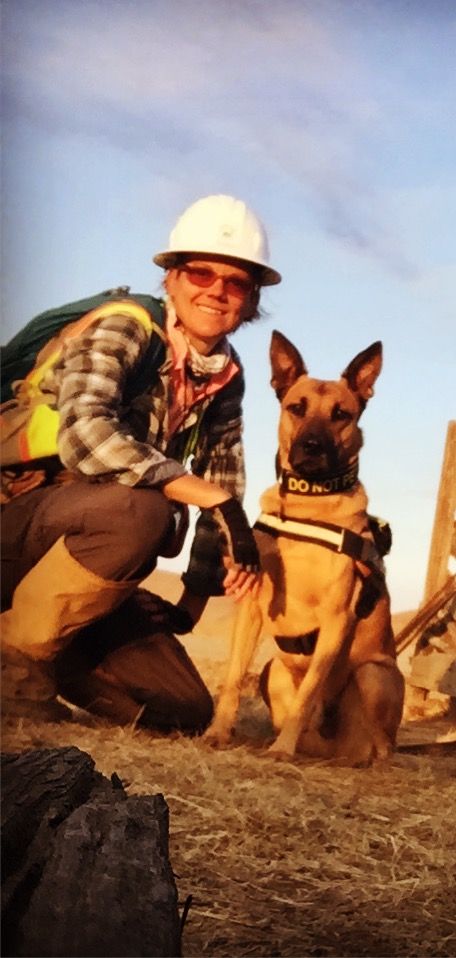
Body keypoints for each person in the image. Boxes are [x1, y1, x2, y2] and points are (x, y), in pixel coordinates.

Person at [0, 194, 280, 731]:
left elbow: (225, 484)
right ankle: (15, 666)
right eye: (200, 272)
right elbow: (87, 436)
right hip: (22, 521)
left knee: (182, 711)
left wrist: (189, 604)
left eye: (236, 282)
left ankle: (49, 646)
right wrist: (203, 494)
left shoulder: (226, 376)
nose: (216, 290)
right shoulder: (124, 327)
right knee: (141, 513)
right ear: (171, 278)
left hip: (85, 542)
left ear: (250, 301)